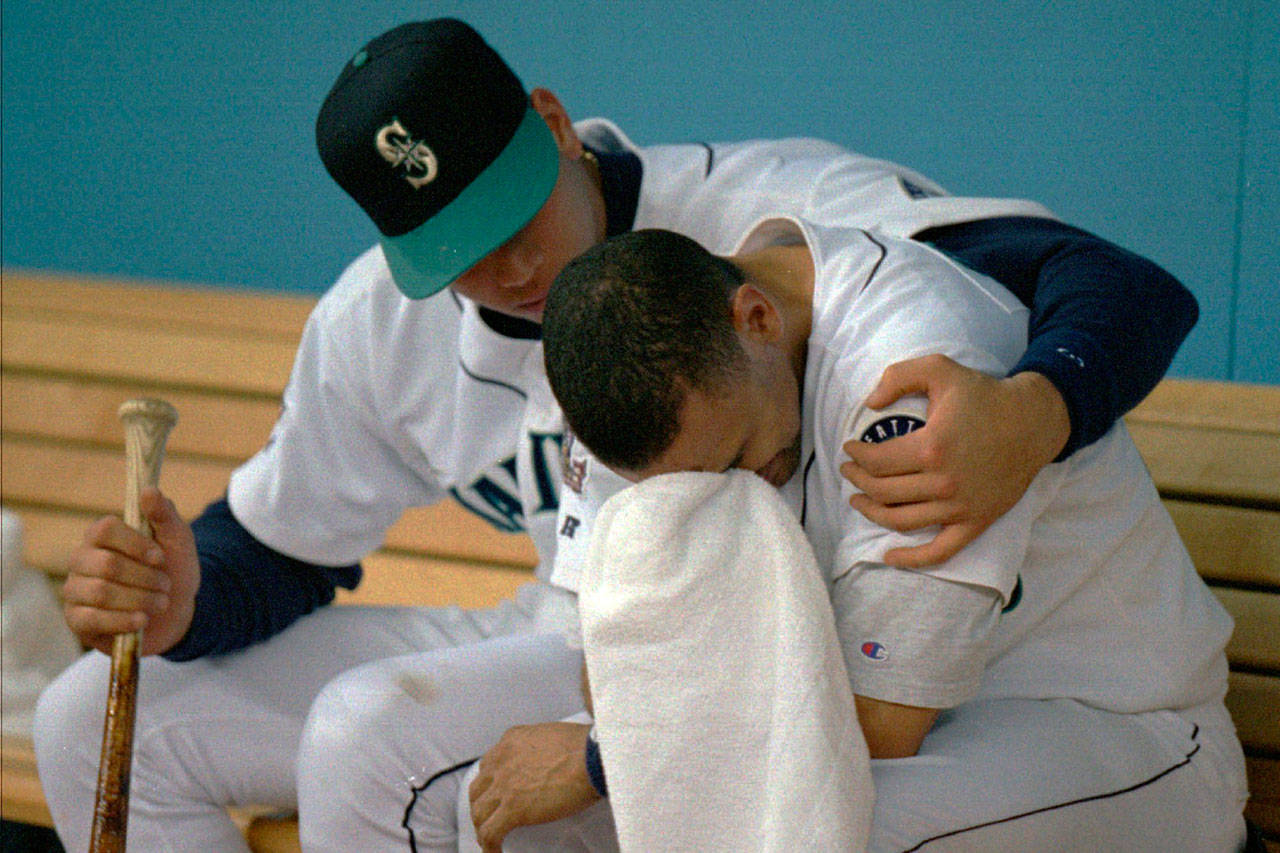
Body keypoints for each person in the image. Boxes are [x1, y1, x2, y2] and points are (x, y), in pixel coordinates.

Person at [32, 17, 1200, 852]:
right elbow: (281, 545)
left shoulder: (782, 234)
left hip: (977, 684)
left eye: (510, 211)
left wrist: (1037, 404)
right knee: (90, 715)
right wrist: (186, 595)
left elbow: (1094, 281)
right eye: (456, 251)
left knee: (425, 752)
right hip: (610, 628)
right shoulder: (382, 321)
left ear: (550, 122)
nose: (510, 266)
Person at [537, 226, 1248, 851]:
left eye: (735, 457)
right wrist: (623, 749)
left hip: (1129, 730)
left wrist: (615, 758)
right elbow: (609, 676)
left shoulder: (911, 365)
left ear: (756, 317)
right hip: (948, 739)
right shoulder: (647, 382)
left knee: (825, 837)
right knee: (564, 821)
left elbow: (882, 723)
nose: (736, 485)